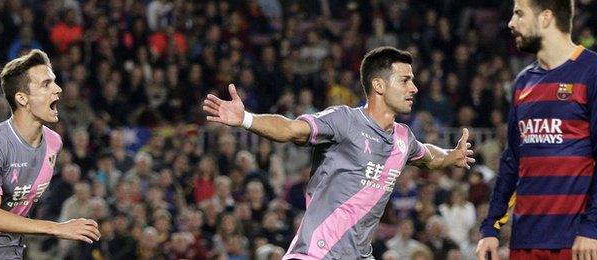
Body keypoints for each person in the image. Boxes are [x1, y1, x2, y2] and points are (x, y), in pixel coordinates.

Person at [203, 46, 475, 259]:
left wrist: (452, 155)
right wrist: (246, 119)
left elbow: (428, 156)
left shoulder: (404, 138)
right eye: (405, 81)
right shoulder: (345, 120)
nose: (414, 88)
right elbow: (292, 129)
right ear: (379, 85)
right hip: (316, 253)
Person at [476, 0, 597, 259]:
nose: (511, 23)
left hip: (578, 242)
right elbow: (512, 161)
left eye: (519, 14)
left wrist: (592, 227)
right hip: (525, 241)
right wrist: (490, 228)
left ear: (545, 17)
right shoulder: (523, 82)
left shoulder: (592, 72)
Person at [0, 49, 100, 259]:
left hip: (14, 248)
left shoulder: (53, 142)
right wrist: (57, 228)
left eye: (55, 81)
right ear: (22, 98)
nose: (58, 89)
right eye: (46, 84)